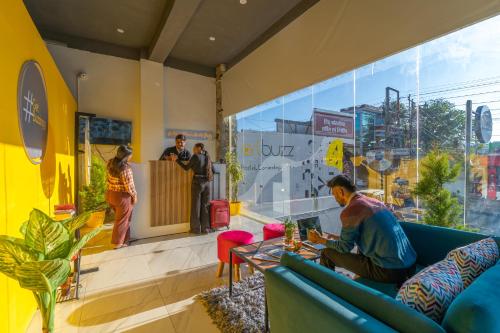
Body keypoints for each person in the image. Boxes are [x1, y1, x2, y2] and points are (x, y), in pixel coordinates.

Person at [308, 174, 417, 284]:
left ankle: (326, 292)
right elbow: (366, 235)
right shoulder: (375, 202)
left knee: (327, 254)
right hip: (410, 265)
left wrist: (320, 240)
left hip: (389, 270)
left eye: (334, 194)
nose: (335, 199)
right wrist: (337, 238)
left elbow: (344, 248)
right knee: (360, 249)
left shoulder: (351, 210)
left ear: (341, 191)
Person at [176, 143, 214, 234]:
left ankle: (196, 229)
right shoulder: (208, 158)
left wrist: (177, 160)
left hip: (197, 182)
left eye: (194, 148)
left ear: (199, 148)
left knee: (195, 206)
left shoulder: (195, 156)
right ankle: (205, 228)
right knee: (205, 206)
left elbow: (186, 167)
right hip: (207, 184)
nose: (193, 150)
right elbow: (214, 170)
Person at [105, 145, 137, 249]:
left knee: (122, 219)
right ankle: (117, 243)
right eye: (131, 154)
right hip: (122, 197)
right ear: (126, 156)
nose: (132, 156)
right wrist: (135, 196)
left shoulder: (110, 163)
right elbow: (129, 186)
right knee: (122, 220)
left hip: (111, 194)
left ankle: (125, 240)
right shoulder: (125, 168)